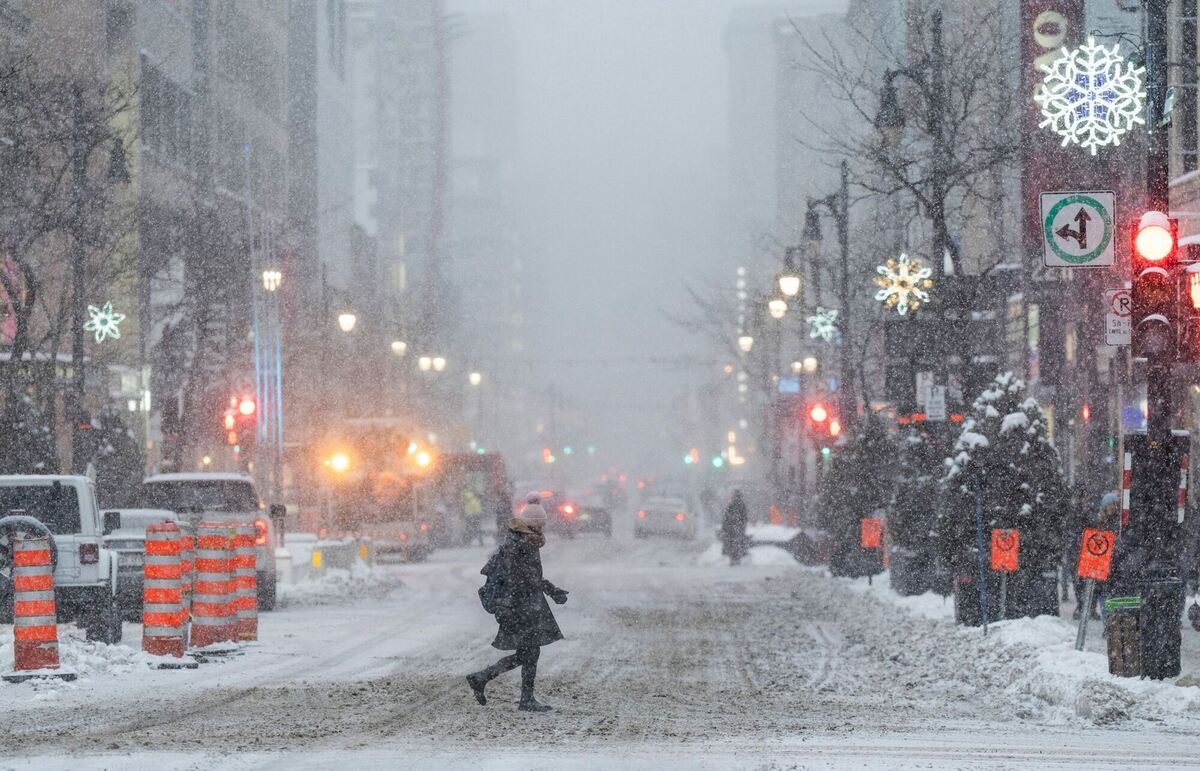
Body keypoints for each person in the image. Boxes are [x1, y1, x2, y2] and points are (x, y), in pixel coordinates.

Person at [467, 500, 568, 712]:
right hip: (518, 606)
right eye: (541, 525)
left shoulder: (520, 540)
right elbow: (529, 579)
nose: (543, 529)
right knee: (530, 652)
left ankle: (483, 678)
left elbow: (529, 578)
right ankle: (523, 698)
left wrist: (550, 590)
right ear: (534, 524)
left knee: (527, 652)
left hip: (520, 605)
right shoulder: (522, 545)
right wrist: (553, 591)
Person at [721, 490, 749, 566]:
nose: (732, 497)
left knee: (733, 544)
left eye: (733, 495)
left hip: (733, 529)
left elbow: (727, 517)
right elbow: (744, 518)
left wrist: (726, 527)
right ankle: (735, 558)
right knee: (735, 544)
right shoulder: (739, 505)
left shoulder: (734, 505)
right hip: (735, 529)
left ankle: (734, 558)